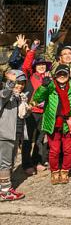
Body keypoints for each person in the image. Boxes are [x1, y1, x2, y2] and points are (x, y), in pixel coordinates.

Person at [32, 65, 71, 185]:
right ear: (55, 75)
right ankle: (55, 171)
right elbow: (37, 98)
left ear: (68, 76)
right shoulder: (50, 87)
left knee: (68, 149)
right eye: (59, 74)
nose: (62, 76)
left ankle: (65, 171)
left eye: (64, 74)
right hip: (53, 123)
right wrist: (43, 86)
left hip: (68, 124)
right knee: (54, 150)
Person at [0, 71, 29, 201]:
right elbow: (5, 92)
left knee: (10, 162)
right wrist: (10, 82)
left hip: (16, 134)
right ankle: (5, 192)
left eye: (22, 83)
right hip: (5, 134)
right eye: (18, 83)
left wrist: (27, 110)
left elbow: (20, 117)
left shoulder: (20, 97)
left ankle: (5, 187)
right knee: (5, 163)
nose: (20, 86)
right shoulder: (5, 95)